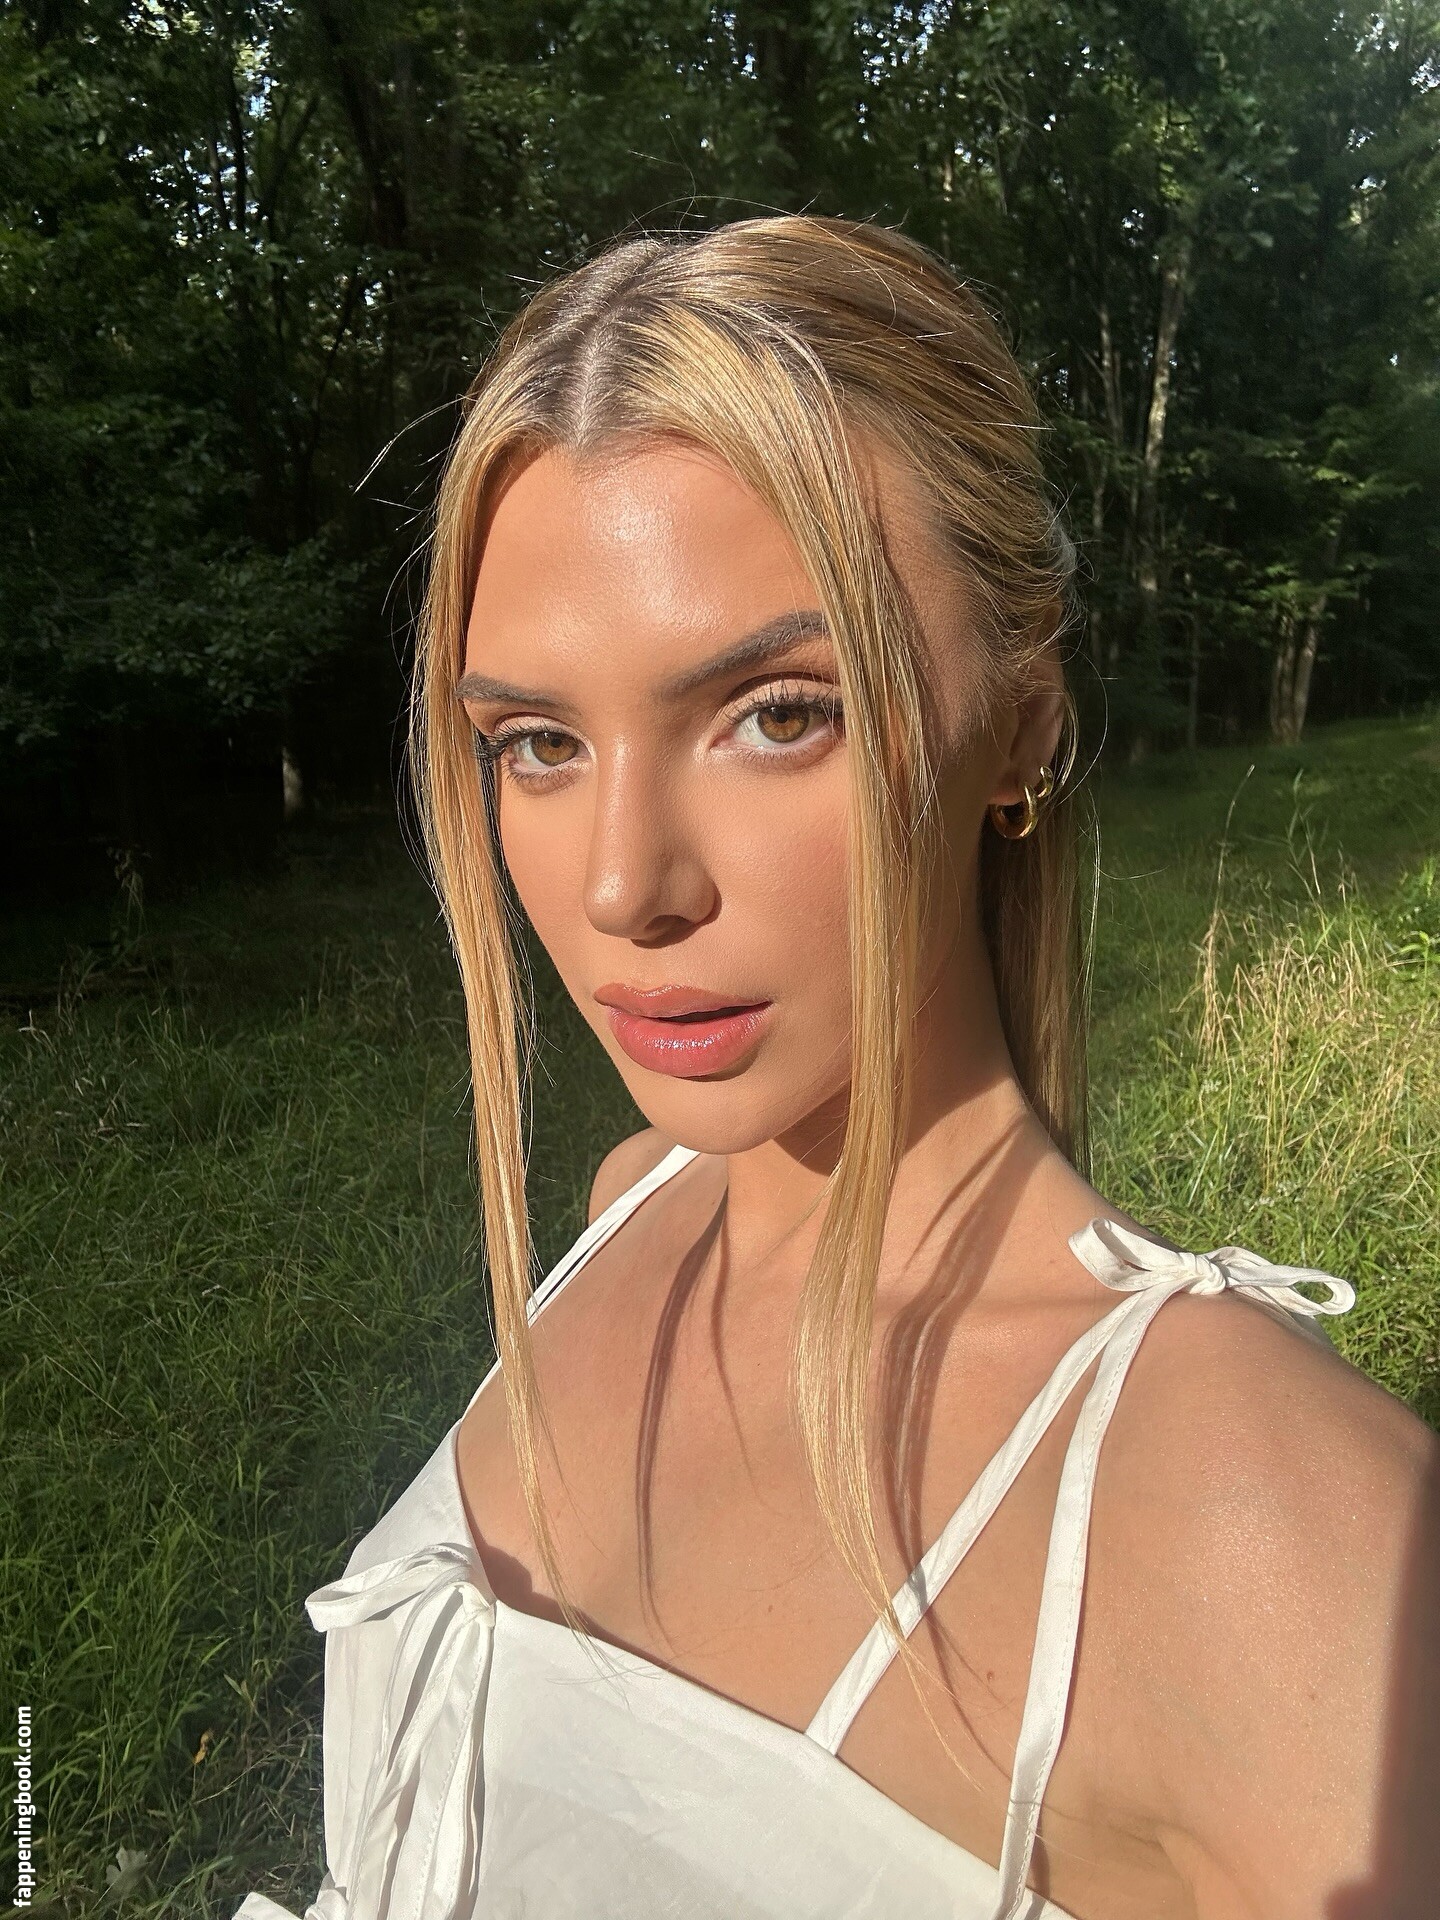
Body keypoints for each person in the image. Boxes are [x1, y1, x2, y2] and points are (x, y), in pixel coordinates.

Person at [235, 216, 1438, 1920]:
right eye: (541, 743)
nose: (623, 887)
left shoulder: (1270, 1531)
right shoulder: (632, 1209)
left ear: (1020, 724)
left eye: (778, 713)